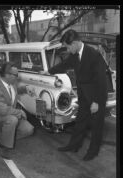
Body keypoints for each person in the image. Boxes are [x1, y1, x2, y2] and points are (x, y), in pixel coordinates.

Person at [46, 30, 108, 161]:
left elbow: (102, 81)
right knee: (80, 122)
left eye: (68, 47)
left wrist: (96, 101)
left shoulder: (94, 55)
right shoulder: (75, 55)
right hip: (84, 96)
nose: (67, 50)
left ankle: (93, 151)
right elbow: (63, 65)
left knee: (97, 126)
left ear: (74, 43)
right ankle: (73, 146)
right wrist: (48, 71)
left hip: (96, 96)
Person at [0, 62, 34, 159]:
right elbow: (3, 110)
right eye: (16, 75)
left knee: (29, 130)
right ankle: (3, 147)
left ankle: (7, 136)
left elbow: (15, 90)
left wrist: (25, 88)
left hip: (10, 114)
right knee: (12, 120)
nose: (17, 77)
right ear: (7, 75)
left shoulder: (11, 83)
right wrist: (19, 112)